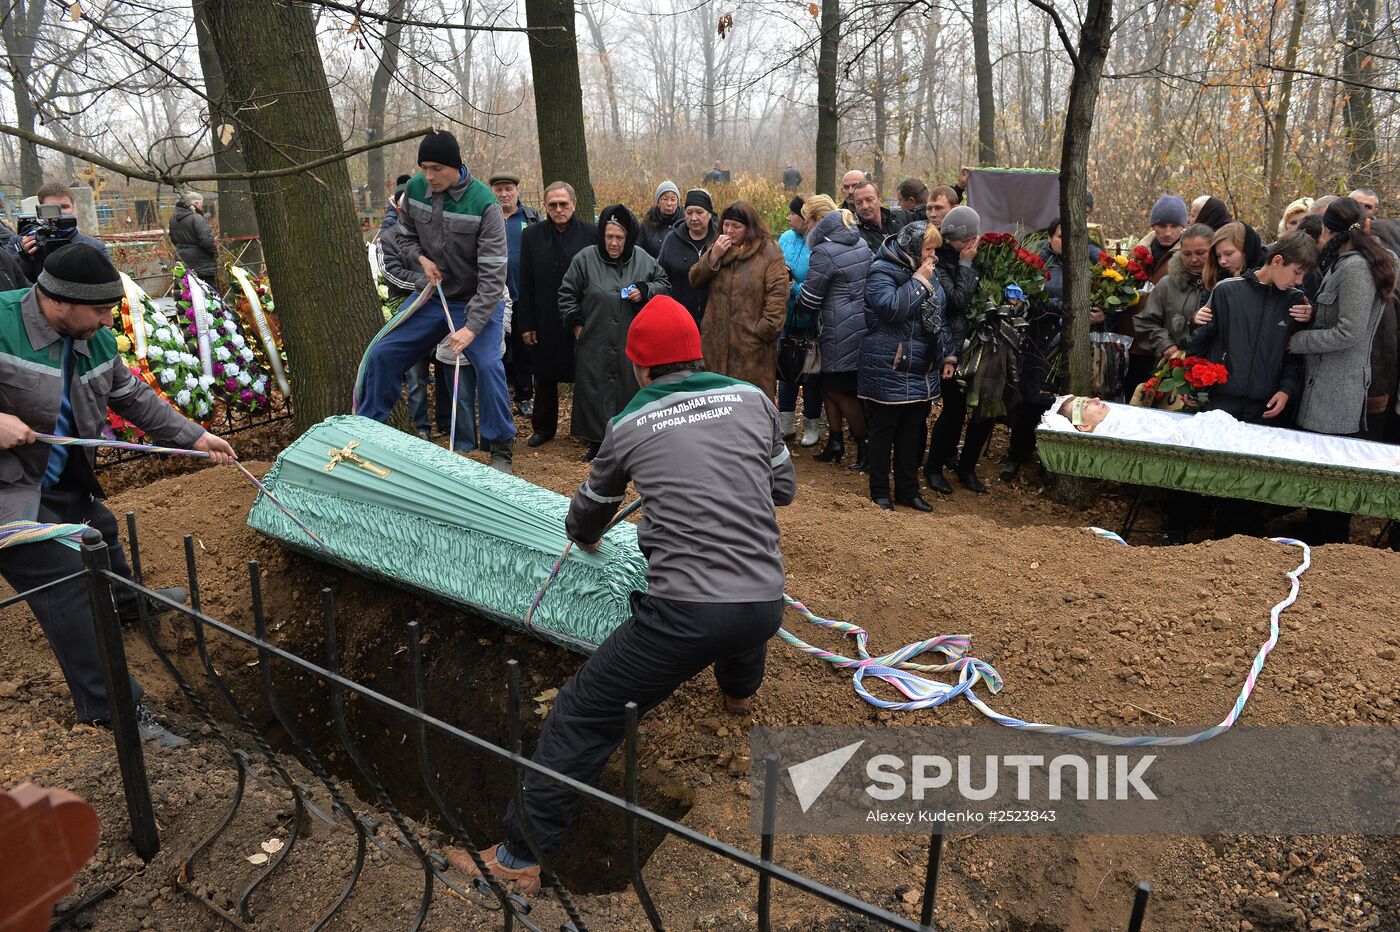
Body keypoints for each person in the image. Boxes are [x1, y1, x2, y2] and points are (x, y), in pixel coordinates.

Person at [447, 295, 795, 894]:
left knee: (582, 715)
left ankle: (517, 858)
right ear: (697, 353)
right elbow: (781, 489)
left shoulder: (629, 425)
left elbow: (586, 522)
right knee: (745, 617)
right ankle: (739, 696)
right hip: (766, 599)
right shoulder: (755, 401)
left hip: (685, 614)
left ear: (639, 368)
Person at [0, 243, 236, 747]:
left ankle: (127, 605)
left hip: (57, 480)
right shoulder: (1, 321)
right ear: (59, 302)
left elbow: (133, 397)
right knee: (66, 582)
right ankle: (113, 711)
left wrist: (194, 436)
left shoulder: (95, 340)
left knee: (100, 529)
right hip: (8, 493)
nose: (110, 320)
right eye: (101, 310)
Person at [357, 130, 515, 473]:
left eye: (436, 169)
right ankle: (368, 432)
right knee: (383, 352)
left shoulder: (484, 203)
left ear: (455, 166)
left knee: (488, 365)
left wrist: (471, 330)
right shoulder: (414, 191)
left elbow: (493, 276)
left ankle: (501, 448)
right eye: (424, 167)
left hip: (478, 300)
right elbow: (404, 235)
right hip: (432, 296)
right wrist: (420, 259)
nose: (429, 176)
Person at [1291, 197, 1396, 543]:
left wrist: (1299, 342)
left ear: (1331, 231)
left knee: (1332, 472)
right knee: (1322, 469)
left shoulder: (1354, 269)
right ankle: (1316, 534)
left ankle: (1329, 544)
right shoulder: (1346, 263)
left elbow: (1350, 332)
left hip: (1338, 388)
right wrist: (1314, 315)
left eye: (1321, 230)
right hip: (1325, 383)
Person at [560, 205, 670, 460]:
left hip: (632, 340)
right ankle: (598, 443)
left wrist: (645, 290)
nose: (613, 243)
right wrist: (577, 326)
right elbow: (567, 294)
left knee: (629, 387)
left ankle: (630, 440)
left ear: (628, 238)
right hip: (594, 339)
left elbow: (664, 284)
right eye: (609, 237)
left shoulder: (643, 258)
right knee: (594, 390)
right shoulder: (585, 259)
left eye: (619, 238)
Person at [860, 221, 949, 511]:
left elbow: (939, 317)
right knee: (884, 432)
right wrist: (919, 280)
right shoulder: (881, 270)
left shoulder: (929, 271)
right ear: (911, 247)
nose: (932, 256)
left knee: (913, 432)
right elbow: (892, 309)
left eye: (935, 250)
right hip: (890, 365)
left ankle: (908, 491)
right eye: (928, 249)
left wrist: (948, 355)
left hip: (922, 367)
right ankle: (880, 492)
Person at [1001, 218, 1100, 481]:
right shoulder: (1036, 263)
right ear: (1050, 237)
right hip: (1040, 341)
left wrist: (1098, 314)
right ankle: (1017, 455)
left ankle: (1052, 463)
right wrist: (1059, 308)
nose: (1064, 243)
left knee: (1066, 403)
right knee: (1032, 402)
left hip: (1075, 345)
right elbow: (1029, 300)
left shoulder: (1092, 264)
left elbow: (1102, 302)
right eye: (1059, 236)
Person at [517, 182, 595, 448]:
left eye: (564, 204)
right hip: (544, 315)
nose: (559, 209)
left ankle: (587, 429)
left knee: (585, 375)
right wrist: (526, 322)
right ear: (545, 207)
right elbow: (524, 281)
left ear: (574, 204)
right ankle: (543, 428)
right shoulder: (531, 236)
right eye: (553, 205)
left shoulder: (591, 234)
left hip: (581, 316)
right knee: (544, 374)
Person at [798, 195, 873, 467]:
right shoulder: (860, 242)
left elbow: (810, 299)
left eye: (808, 220)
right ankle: (836, 442)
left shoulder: (824, 251)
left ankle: (864, 447)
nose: (805, 226)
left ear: (818, 220)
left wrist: (793, 290)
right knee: (830, 387)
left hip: (835, 328)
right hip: (858, 325)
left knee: (841, 390)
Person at [688, 201, 788, 399]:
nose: (729, 230)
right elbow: (694, 279)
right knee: (717, 403)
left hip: (752, 348)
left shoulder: (769, 251)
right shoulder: (718, 248)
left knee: (750, 403)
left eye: (736, 226)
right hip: (715, 345)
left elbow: (778, 294)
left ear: (749, 228)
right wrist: (712, 256)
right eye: (726, 225)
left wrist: (764, 331)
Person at [924, 205, 984, 494]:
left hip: (973, 344)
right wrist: (966, 264)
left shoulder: (964, 257)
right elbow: (957, 302)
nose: (973, 244)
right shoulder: (944, 261)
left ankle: (957, 464)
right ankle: (933, 467)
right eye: (968, 239)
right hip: (948, 345)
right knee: (953, 411)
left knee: (969, 410)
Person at [490, 171, 542, 418]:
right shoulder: (488, 216)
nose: (504, 194)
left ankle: (524, 397)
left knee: (523, 349)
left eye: (508, 189)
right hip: (495, 296)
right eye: (499, 190)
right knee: (497, 348)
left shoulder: (530, 218)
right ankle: (498, 396)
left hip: (524, 295)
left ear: (516, 191)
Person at [777, 195, 821, 446]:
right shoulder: (785, 238)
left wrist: (794, 286)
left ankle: (812, 423)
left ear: (805, 218)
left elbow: (817, 283)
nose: (788, 217)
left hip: (811, 319)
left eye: (792, 213)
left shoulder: (818, 243)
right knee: (786, 369)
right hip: (787, 315)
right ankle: (786, 423)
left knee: (811, 372)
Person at [1135, 223, 1212, 360]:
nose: (1194, 259)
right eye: (1187, 254)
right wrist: (1165, 345)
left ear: (1213, 251)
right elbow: (1146, 321)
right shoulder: (1167, 284)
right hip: (1173, 369)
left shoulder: (1223, 285)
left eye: (1200, 253)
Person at [15, 182, 109, 282]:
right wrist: (27, 259)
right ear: (40, 211)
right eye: (52, 208)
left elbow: (107, 284)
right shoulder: (24, 244)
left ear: (73, 207)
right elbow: (17, 285)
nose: (60, 213)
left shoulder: (95, 247)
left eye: (65, 207)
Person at [655, 189, 718, 324]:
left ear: (709, 214)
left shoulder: (719, 241)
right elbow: (661, 277)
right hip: (679, 319)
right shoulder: (672, 240)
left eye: (699, 212)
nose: (694, 217)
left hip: (713, 323)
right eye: (689, 213)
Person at [168, 191, 218, 289]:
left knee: (188, 294)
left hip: (182, 260)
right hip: (202, 262)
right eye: (200, 203)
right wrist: (214, 253)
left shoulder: (173, 219)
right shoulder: (197, 218)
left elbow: (173, 239)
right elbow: (206, 241)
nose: (202, 206)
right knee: (209, 293)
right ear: (194, 204)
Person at [1138, 195, 1188, 284]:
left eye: (1174, 226)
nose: (1167, 233)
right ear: (1153, 226)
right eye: (1162, 226)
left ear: (1182, 227)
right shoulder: (1139, 250)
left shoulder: (1190, 254)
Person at [1203, 222, 1264, 294]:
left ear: (1247, 250)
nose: (1222, 261)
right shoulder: (1215, 280)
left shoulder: (1267, 280)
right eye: (1218, 256)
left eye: (1228, 254)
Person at [851, 181, 903, 254]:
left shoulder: (897, 218)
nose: (865, 206)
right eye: (859, 202)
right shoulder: (854, 233)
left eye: (869, 200)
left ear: (880, 199)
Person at [638, 181, 681, 258]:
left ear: (677, 203)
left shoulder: (684, 222)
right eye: (665, 199)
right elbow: (639, 249)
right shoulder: (648, 221)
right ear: (658, 202)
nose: (669, 203)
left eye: (673, 199)